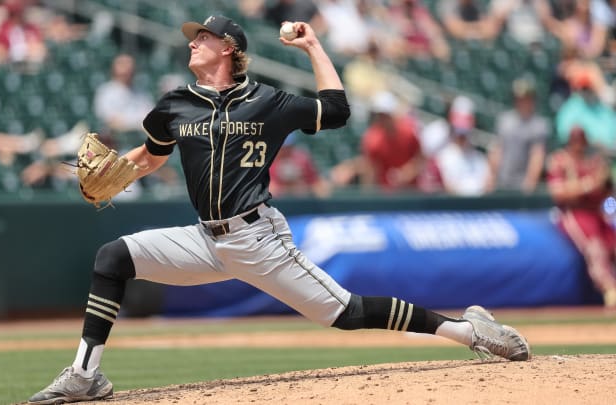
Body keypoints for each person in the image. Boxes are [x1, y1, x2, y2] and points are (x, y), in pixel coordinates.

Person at [28, 15, 531, 404]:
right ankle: (85, 376)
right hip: (204, 239)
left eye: (202, 37)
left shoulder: (266, 100)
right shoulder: (174, 105)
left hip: (259, 239)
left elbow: (336, 111)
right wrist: (117, 172)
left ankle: (469, 331)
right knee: (112, 258)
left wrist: (313, 46)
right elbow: (151, 155)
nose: (191, 43)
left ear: (229, 49)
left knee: (347, 313)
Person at [546, 126, 616, 308]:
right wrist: (588, 185)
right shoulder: (560, 160)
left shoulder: (593, 161)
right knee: (595, 248)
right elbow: (558, 193)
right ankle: (610, 290)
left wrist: (604, 181)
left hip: (597, 212)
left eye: (581, 140)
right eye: (575, 140)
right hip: (573, 212)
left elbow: (608, 195)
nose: (578, 145)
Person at [488, 78, 550, 193]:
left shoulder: (539, 125)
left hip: (522, 186)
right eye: (519, 98)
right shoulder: (504, 121)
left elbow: (537, 156)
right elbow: (497, 150)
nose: (522, 101)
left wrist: (529, 184)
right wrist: (491, 177)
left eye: (526, 98)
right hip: (502, 183)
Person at [433, 96, 492, 196]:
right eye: (460, 131)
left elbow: (488, 186)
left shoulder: (479, 158)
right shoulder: (442, 158)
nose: (462, 135)